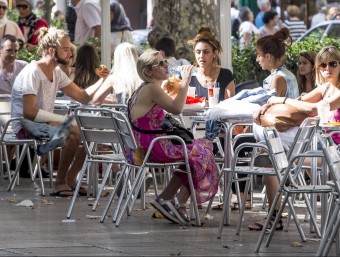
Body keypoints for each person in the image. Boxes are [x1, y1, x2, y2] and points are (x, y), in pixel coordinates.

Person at [10, 27, 109, 197]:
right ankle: (60, 182)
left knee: (88, 131)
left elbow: (84, 97)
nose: (70, 53)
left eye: (70, 49)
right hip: (24, 126)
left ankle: (70, 179)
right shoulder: (32, 72)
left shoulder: (56, 72)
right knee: (74, 132)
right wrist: (63, 120)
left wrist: (103, 80)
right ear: (51, 50)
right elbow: (28, 112)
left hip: (43, 124)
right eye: (65, 49)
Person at [251, 46, 340, 231]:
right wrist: (267, 105)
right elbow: (302, 101)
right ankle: (275, 214)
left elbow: (315, 109)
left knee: (272, 154)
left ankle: (275, 213)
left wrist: (280, 100)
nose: (327, 69)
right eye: (323, 65)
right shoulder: (326, 87)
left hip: (334, 153)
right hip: (320, 146)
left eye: (333, 64)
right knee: (269, 152)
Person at [127, 49, 218, 224]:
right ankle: (177, 202)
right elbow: (177, 109)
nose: (165, 65)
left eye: (164, 61)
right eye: (160, 64)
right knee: (203, 152)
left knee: (198, 151)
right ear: (148, 71)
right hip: (153, 146)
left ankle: (166, 199)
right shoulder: (152, 88)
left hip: (142, 146)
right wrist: (185, 83)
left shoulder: (145, 88)